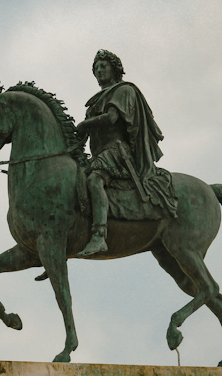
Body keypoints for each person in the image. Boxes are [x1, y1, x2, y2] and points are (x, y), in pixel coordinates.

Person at [74, 49, 177, 258]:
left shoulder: (123, 90)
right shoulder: (94, 102)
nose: (99, 70)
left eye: (104, 66)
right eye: (96, 68)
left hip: (118, 152)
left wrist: (84, 124)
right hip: (99, 154)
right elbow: (85, 136)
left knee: (95, 180)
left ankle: (99, 236)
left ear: (115, 69)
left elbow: (112, 118)